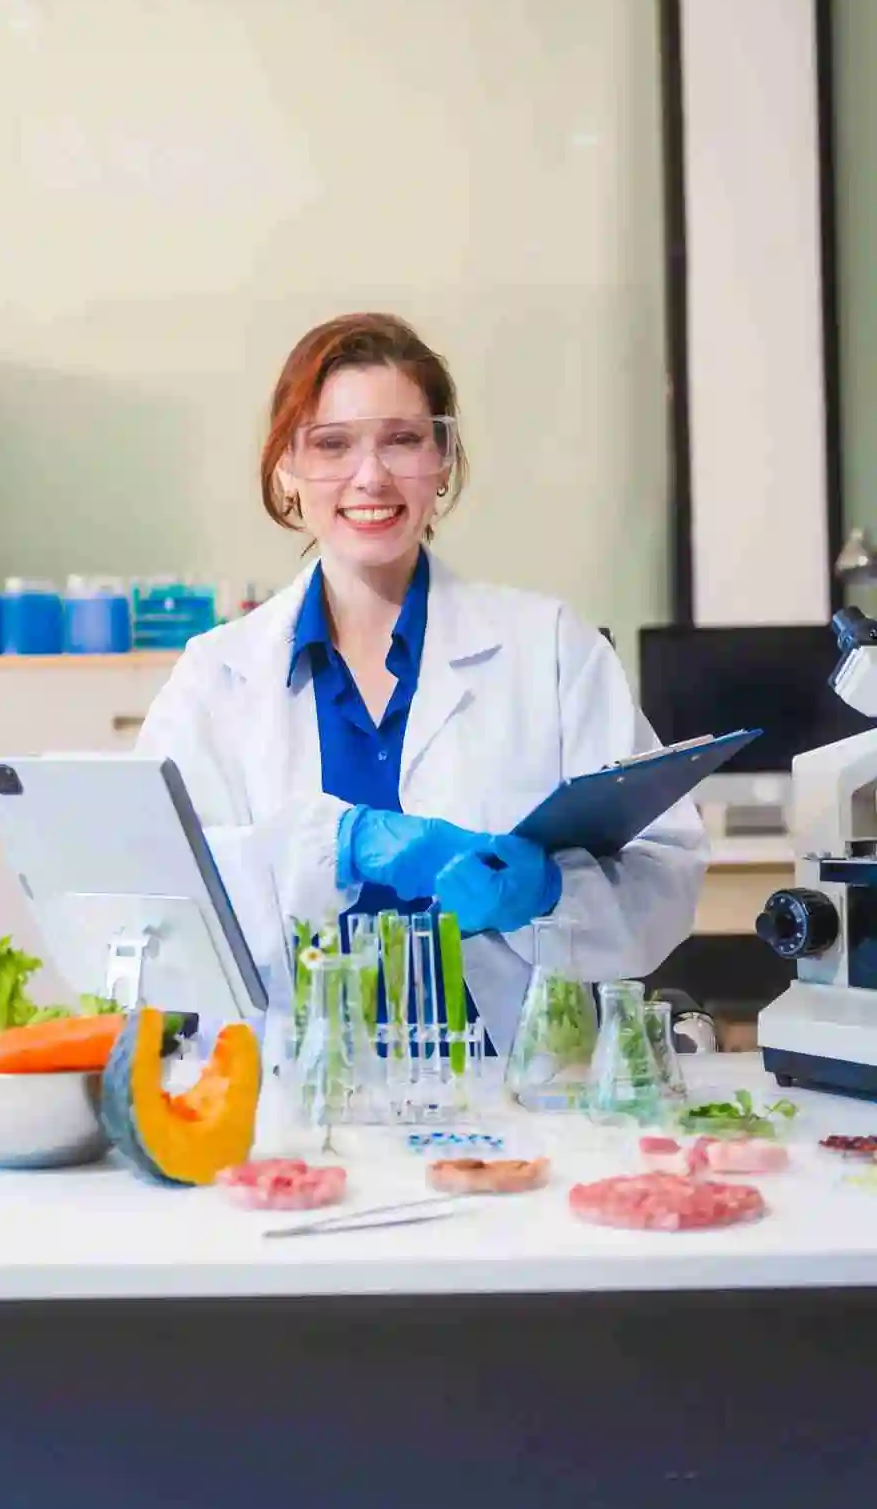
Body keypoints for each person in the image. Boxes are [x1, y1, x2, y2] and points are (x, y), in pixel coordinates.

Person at [137, 312, 708, 1055]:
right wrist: (329, 848)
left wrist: (546, 897)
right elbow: (158, 902)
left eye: (402, 440)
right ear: (287, 470)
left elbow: (666, 876)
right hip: (293, 1098)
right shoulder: (217, 674)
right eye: (333, 444)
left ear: (442, 460)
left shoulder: (550, 648)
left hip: (507, 1097)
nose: (370, 476)